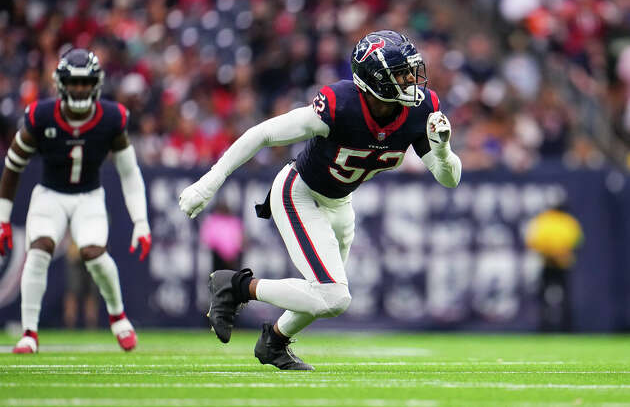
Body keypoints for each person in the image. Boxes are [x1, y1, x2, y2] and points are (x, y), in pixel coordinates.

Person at [179, 30, 462, 370]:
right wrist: (211, 181)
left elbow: (449, 178)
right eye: (401, 73)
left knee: (323, 293)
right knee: (334, 296)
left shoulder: (420, 110)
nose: (411, 80)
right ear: (376, 80)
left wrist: (443, 149)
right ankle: (235, 286)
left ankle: (275, 343)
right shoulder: (341, 105)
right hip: (300, 192)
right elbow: (264, 133)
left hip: (341, 204)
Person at [0, 48, 152, 353]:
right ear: (61, 83)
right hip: (50, 195)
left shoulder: (111, 117)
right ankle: (29, 332)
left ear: (95, 83)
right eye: (74, 82)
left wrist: (141, 222)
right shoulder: (40, 115)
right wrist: (3, 219)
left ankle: (118, 316)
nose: (80, 88)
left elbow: (129, 172)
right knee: (39, 249)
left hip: (89, 198)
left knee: (94, 254)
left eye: (86, 82)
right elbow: (13, 165)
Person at [525, 202, 583, 332]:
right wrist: (556, 252)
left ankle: (562, 327)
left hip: (556, 263)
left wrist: (552, 251)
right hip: (552, 263)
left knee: (558, 298)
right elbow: (577, 241)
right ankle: (550, 326)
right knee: (550, 297)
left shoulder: (546, 220)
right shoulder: (566, 221)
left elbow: (533, 241)